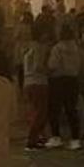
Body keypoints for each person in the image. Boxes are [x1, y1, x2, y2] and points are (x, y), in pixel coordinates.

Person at [47, 24, 84, 150]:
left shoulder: (57, 48)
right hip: (73, 80)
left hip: (58, 80)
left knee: (55, 110)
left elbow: (53, 65)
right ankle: (75, 139)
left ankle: (56, 137)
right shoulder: (77, 48)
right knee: (71, 109)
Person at [22, 21, 52, 150]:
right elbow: (38, 66)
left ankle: (38, 137)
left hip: (28, 82)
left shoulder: (28, 47)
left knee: (34, 111)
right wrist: (50, 70)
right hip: (39, 82)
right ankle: (32, 139)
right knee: (41, 112)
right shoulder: (39, 48)